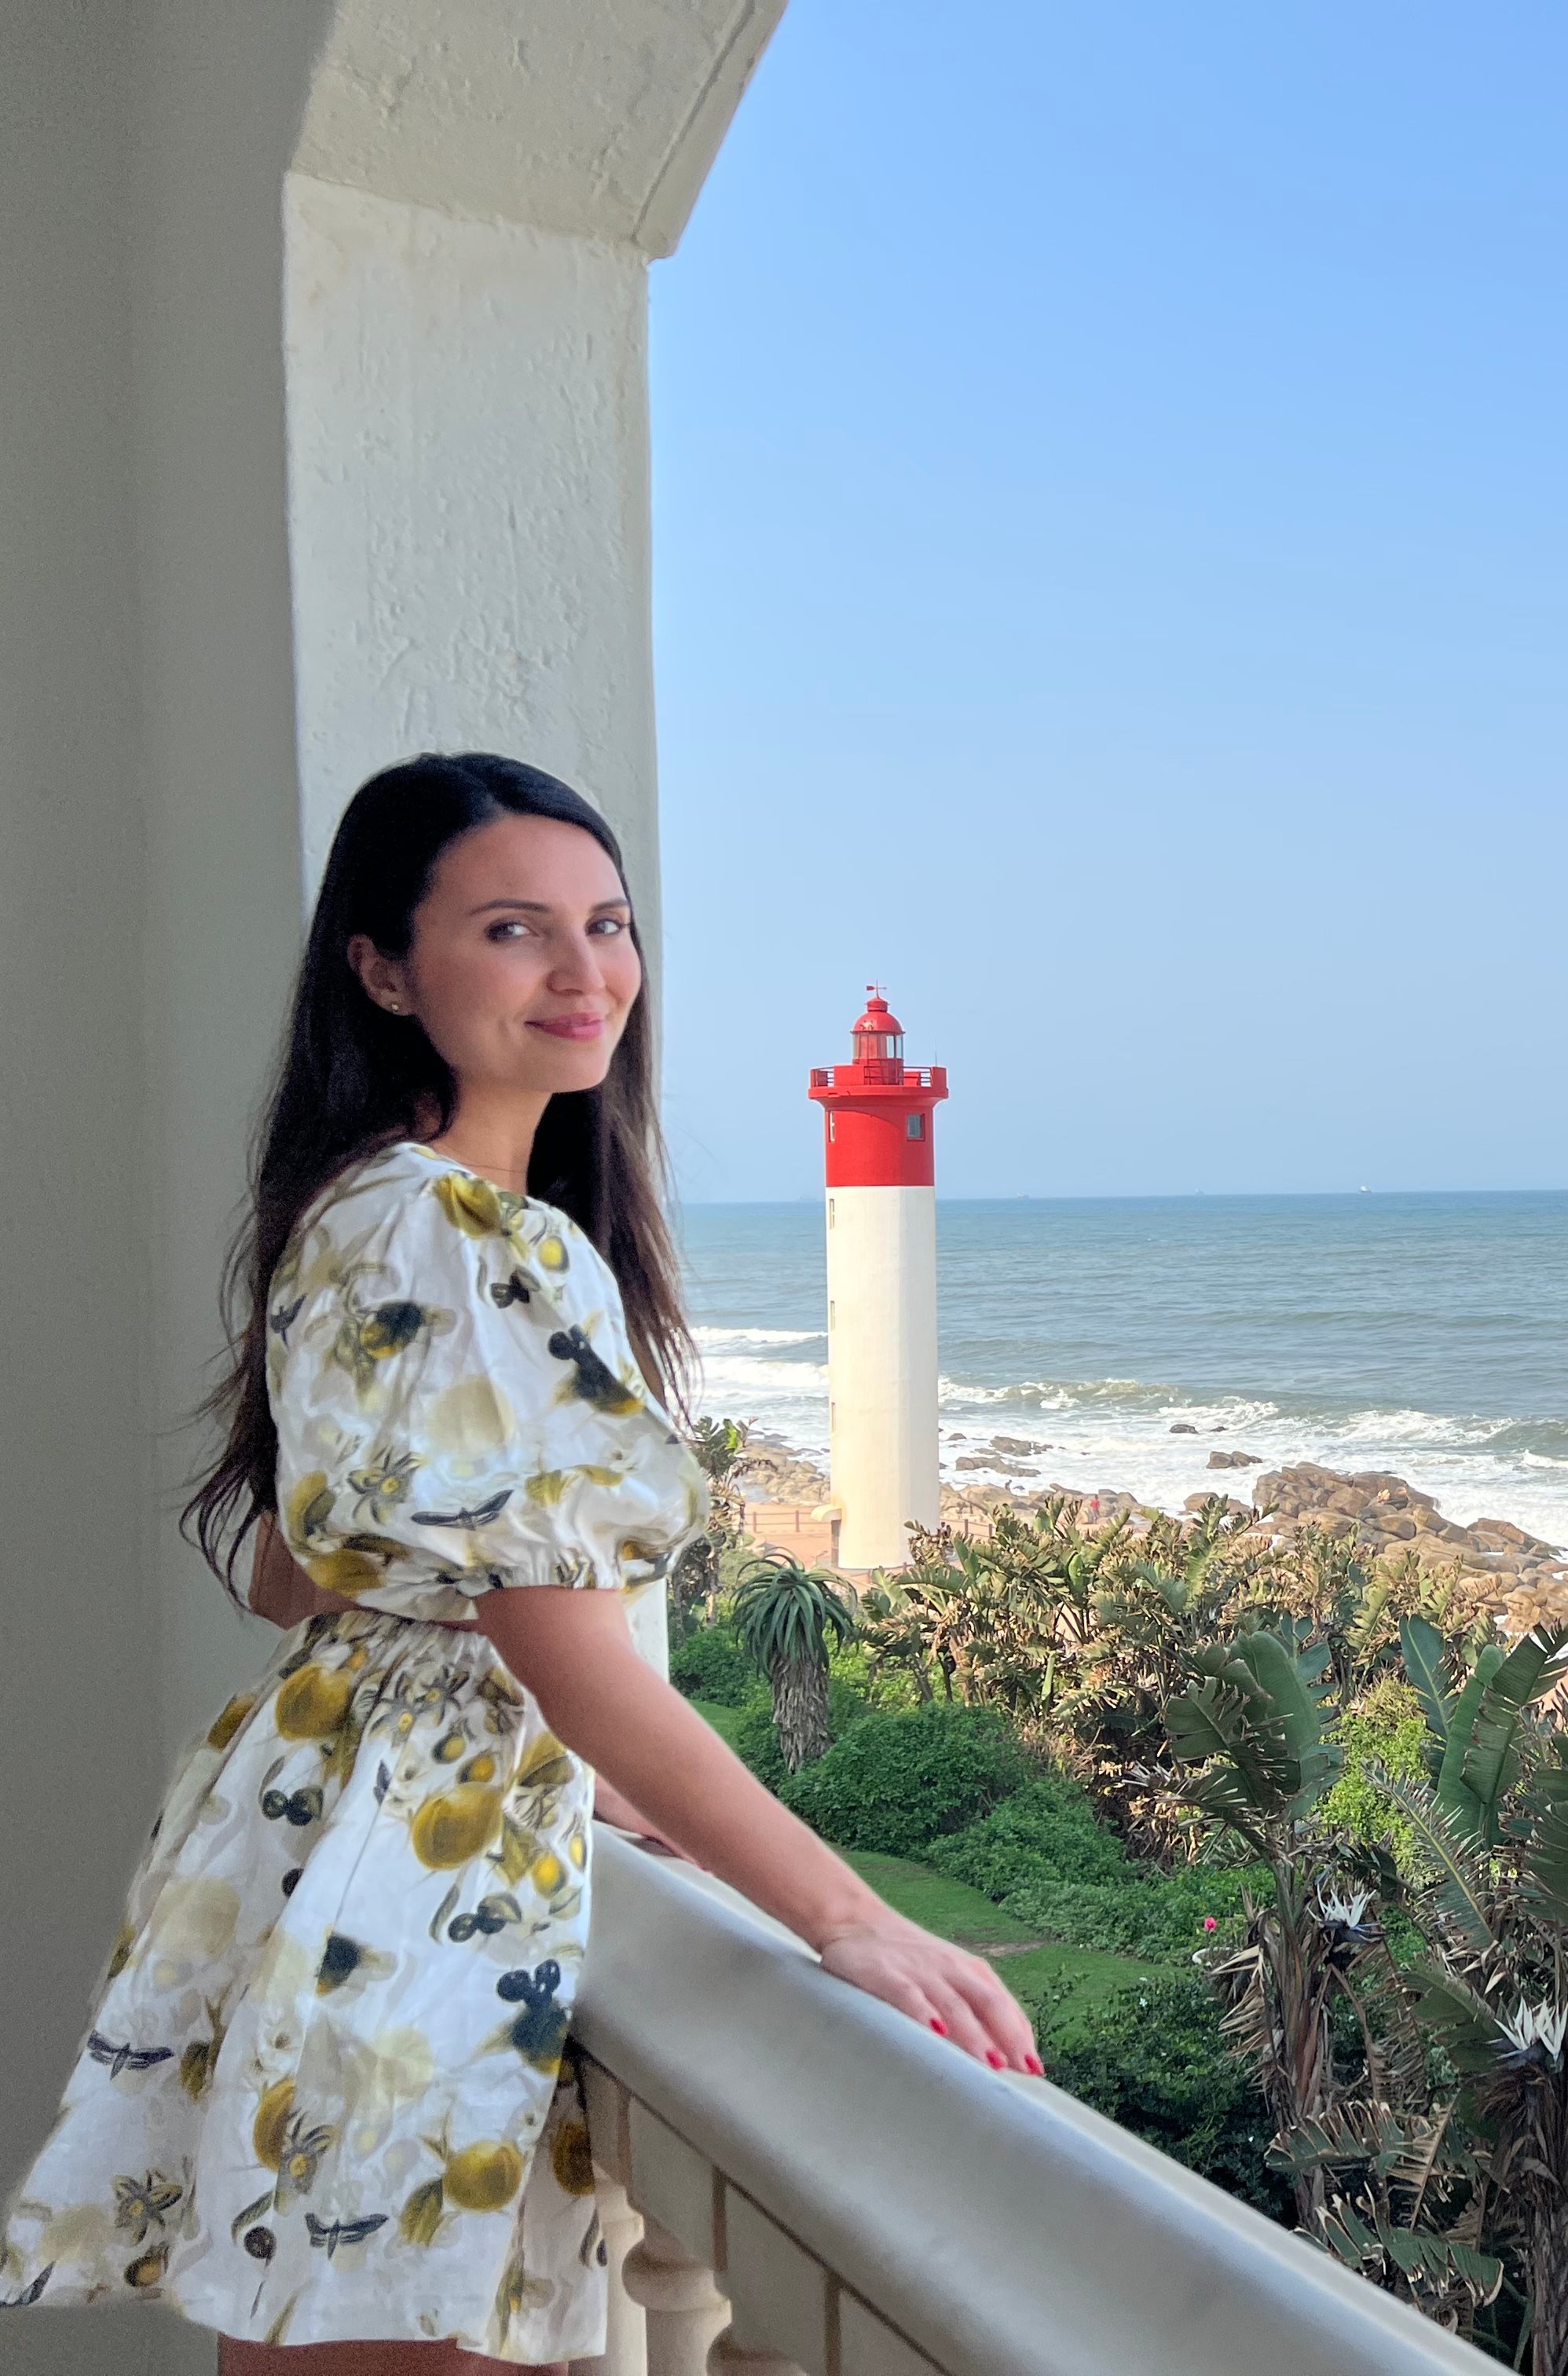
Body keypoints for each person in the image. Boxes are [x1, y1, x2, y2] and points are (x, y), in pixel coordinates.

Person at [2, 755, 1035, 2372]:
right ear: (385, 967)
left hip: (318, 1830)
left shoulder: (351, 1212)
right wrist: (847, 1917)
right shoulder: (485, 1238)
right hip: (427, 1875)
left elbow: (297, 1575)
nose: (586, 973)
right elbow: (551, 1629)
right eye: (513, 929)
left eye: (608, 925)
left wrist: (527, 1717)